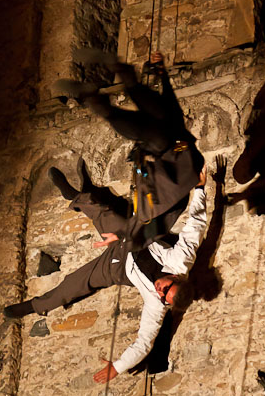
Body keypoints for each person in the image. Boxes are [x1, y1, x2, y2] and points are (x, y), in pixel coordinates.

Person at [4, 160, 211, 383]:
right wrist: (200, 188)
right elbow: (196, 225)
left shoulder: (157, 304)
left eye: (164, 298)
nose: (159, 292)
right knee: (106, 214)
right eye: (165, 289)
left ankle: (33, 306)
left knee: (73, 284)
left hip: (118, 268)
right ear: (176, 277)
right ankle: (75, 195)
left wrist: (118, 367)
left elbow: (144, 343)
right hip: (132, 239)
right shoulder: (182, 260)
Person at [53, 50, 205, 249]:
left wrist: (162, 73)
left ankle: (107, 83)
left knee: (135, 111)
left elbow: (171, 106)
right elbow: (137, 231)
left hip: (172, 140)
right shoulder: (154, 213)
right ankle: (95, 95)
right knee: (129, 118)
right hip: (173, 147)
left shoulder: (155, 211)